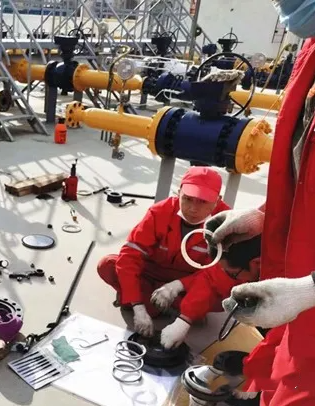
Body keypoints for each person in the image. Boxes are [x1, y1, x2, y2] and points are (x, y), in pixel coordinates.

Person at [204, 2, 315, 404]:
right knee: (274, 366)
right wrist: (262, 217)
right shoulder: (311, 50)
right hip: (299, 303)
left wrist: (309, 289)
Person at [97, 166, 230, 337]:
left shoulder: (227, 224)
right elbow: (130, 256)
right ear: (179, 192)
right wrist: (138, 307)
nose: (193, 208)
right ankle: (154, 303)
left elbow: (218, 273)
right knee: (107, 265)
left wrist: (178, 285)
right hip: (151, 272)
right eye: (187, 199)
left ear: (218, 201)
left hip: (192, 280)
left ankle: (157, 302)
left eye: (202, 202)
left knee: (226, 295)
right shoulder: (159, 212)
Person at [155, 235, 262, 349]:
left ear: (256, 263)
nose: (230, 276)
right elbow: (212, 278)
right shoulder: (242, 257)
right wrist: (185, 316)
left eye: (232, 274)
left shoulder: (274, 277)